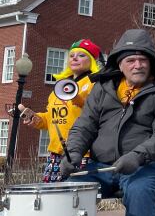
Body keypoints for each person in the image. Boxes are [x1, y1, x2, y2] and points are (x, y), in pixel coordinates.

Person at [62, 29, 155, 216]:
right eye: (131, 60)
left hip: (148, 166)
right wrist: (73, 152)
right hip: (101, 167)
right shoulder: (102, 88)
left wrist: (137, 156)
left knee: (139, 191)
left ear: (152, 62)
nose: (138, 65)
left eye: (143, 59)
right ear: (120, 63)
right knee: (67, 192)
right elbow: (84, 126)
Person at [19, 39, 102, 182]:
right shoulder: (60, 87)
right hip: (56, 152)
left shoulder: (95, 84)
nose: (74, 58)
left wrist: (78, 99)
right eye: (72, 55)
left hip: (82, 153)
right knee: (50, 194)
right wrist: (35, 118)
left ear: (92, 61)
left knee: (75, 194)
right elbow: (51, 118)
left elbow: (96, 111)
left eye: (81, 55)